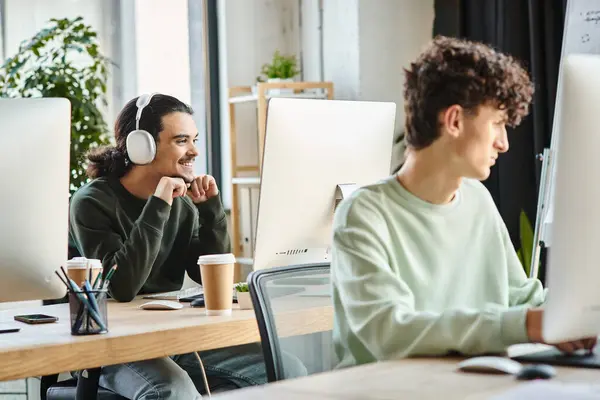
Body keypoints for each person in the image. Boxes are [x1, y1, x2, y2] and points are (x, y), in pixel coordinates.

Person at [330, 36, 597, 369]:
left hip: (462, 385)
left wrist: (579, 313)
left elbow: (523, 299)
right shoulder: (363, 215)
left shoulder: (477, 200)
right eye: (498, 124)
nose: (504, 144)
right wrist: (524, 324)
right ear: (454, 121)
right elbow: (390, 331)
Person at [69, 94, 303, 398]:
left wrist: (211, 210)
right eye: (182, 141)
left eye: (194, 139)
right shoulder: (92, 202)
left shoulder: (182, 202)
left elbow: (208, 272)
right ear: (141, 146)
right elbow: (123, 287)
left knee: (288, 369)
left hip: (171, 337)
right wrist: (159, 204)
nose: (194, 151)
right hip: (111, 344)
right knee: (172, 389)